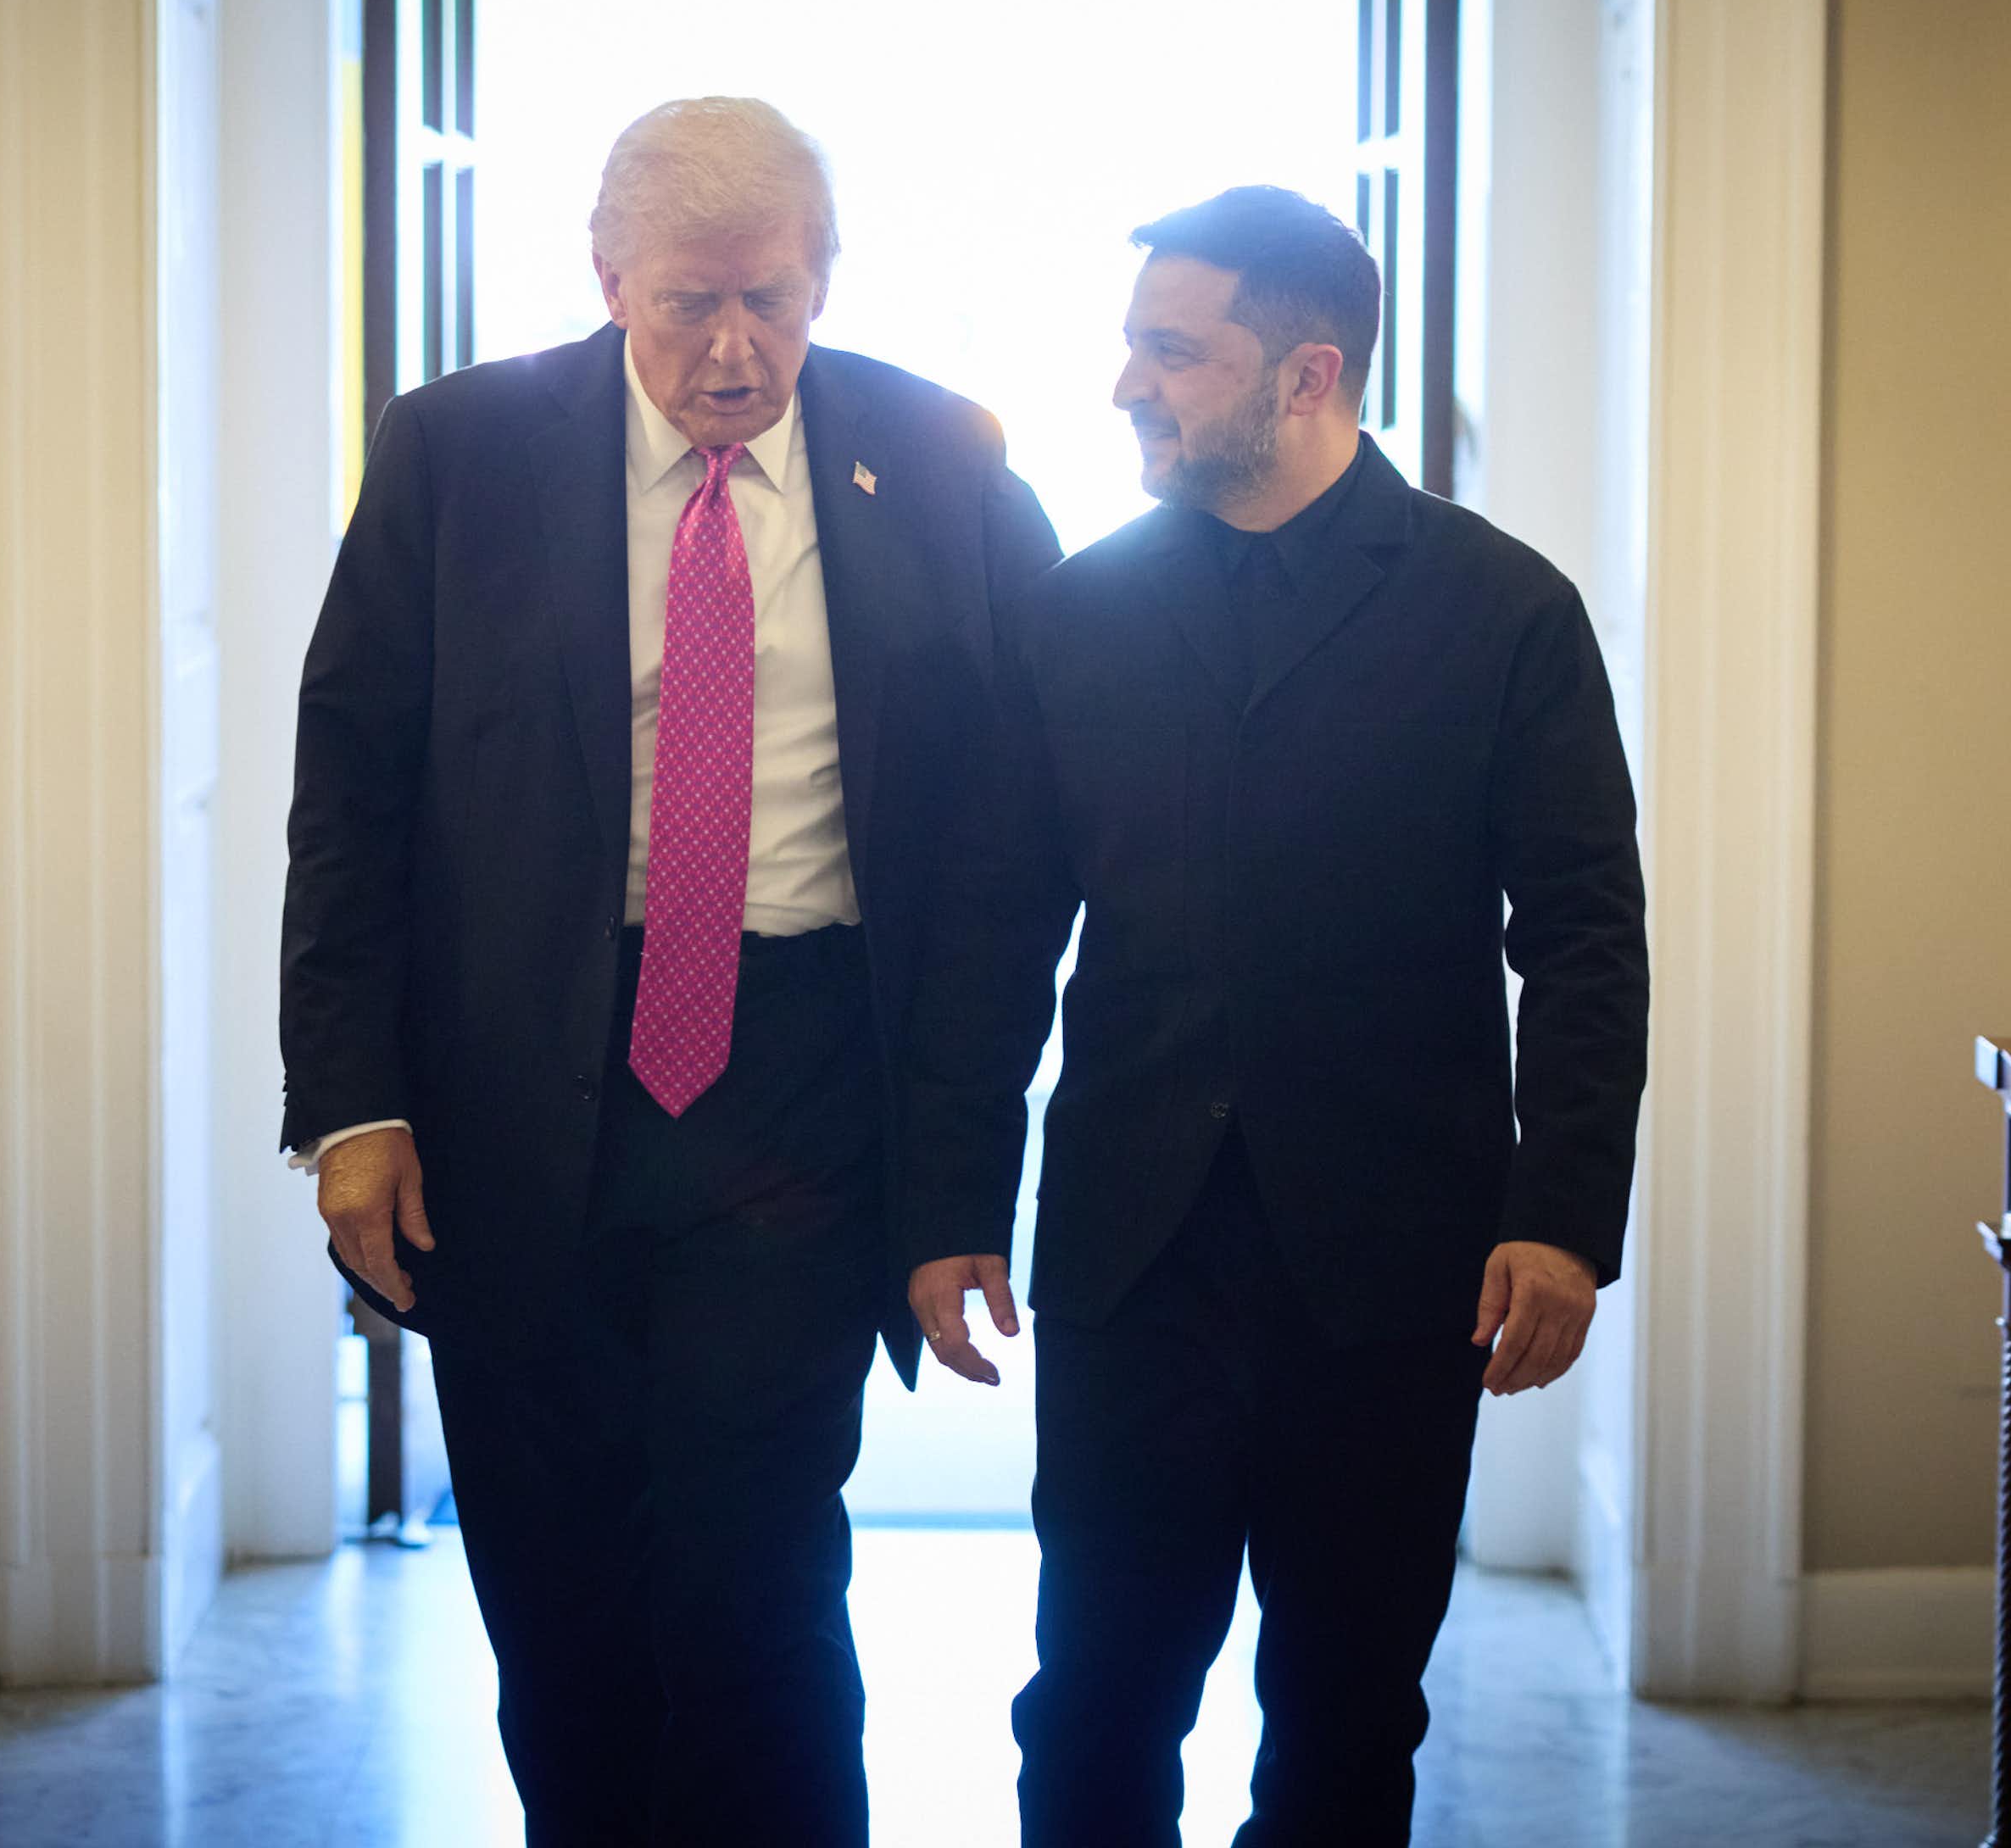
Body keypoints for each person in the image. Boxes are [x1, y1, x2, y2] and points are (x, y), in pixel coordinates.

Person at [280, 97, 1060, 1847]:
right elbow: (351, 797)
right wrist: (352, 1104)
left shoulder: (939, 462)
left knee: (751, 1571)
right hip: (518, 1081)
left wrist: (953, 1182)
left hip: (794, 1079)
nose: (731, 350)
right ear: (605, 274)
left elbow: (1024, 820)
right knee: (558, 1593)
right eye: (686, 304)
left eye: (772, 302)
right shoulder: (456, 453)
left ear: (826, 276)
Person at [905, 185, 1650, 1847]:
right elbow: (989, 942)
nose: (1126, 385)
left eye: (1171, 352)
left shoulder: (1501, 613)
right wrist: (949, 1202)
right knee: (1092, 1696)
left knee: (1346, 1713)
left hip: (1397, 1261)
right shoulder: (1071, 611)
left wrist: (1562, 1219)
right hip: (1127, 1259)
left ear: (1305, 373)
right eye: (1130, 346)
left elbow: (1585, 940)